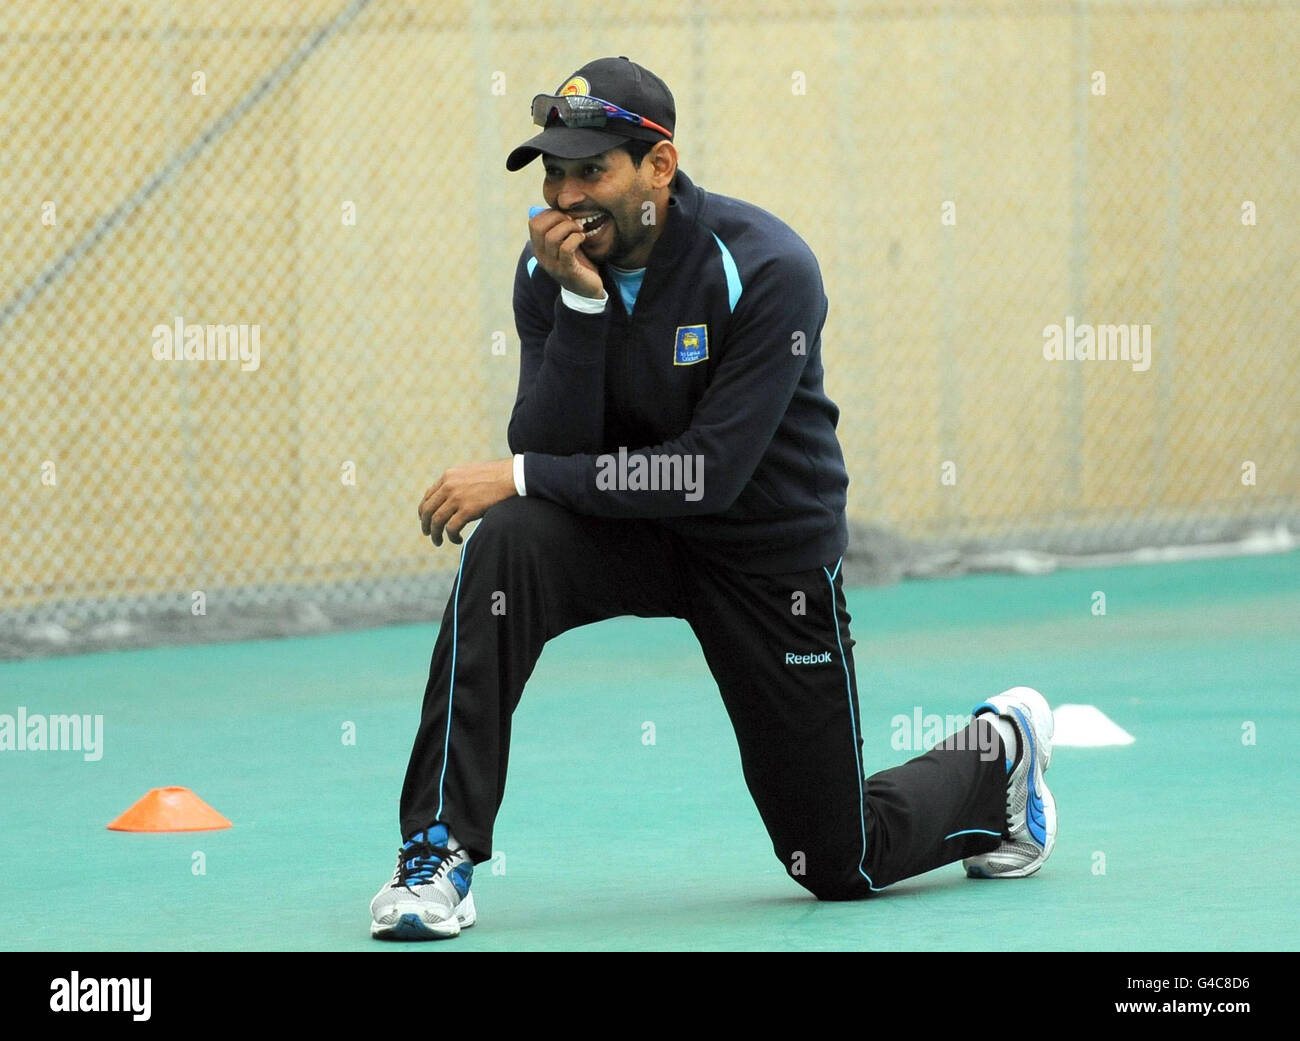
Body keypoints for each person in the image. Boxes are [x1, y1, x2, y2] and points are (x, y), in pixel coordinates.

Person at [369, 56, 1057, 940]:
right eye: (554, 172)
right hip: (629, 536)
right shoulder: (550, 272)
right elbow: (546, 450)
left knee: (836, 862)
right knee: (507, 541)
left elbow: (705, 473)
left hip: (766, 556)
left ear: (660, 166)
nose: (565, 196)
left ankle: (996, 753)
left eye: (592, 171)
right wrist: (580, 313)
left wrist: (525, 475)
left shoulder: (769, 267)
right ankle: (436, 854)